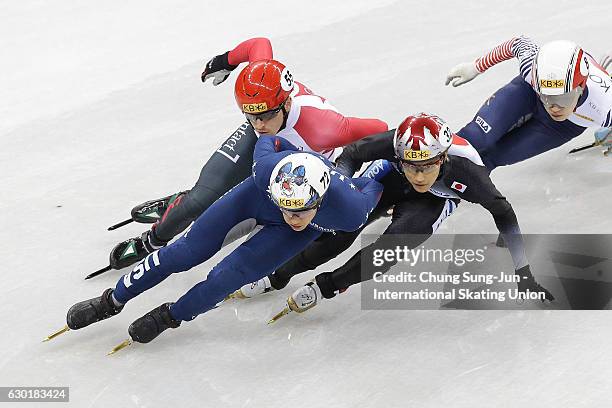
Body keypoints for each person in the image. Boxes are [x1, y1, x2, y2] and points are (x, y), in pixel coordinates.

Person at [60, 135, 383, 345]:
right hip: (255, 197)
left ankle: (171, 315)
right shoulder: (265, 170)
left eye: (300, 210)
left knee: (224, 280)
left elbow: (378, 181)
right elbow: (269, 139)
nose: (291, 217)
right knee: (182, 253)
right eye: (286, 208)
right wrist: (289, 148)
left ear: (322, 200)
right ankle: (111, 301)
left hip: (297, 218)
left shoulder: (351, 210)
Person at [230, 113, 553, 318]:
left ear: (442, 159)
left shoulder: (468, 173)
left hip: (437, 199)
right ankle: (277, 276)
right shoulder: (397, 146)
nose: (419, 175)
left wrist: (523, 271)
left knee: (392, 249)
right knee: (342, 226)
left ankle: (326, 286)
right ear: (400, 156)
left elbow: (504, 213)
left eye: (427, 166)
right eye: (412, 165)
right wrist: (342, 189)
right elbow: (353, 154)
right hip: (389, 177)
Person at [108, 37, 387, 271]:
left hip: (297, 164)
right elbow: (259, 45)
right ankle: (153, 239)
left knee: (253, 226)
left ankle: (182, 205)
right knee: (200, 200)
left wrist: (346, 168)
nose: (259, 124)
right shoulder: (263, 91)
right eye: (250, 115)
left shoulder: (326, 127)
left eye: (264, 115)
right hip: (264, 145)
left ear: (287, 103)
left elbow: (380, 129)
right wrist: (225, 60)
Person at [444, 36, 612, 169]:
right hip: (528, 93)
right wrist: (476, 66)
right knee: (474, 137)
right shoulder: (530, 70)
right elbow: (518, 43)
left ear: (581, 86)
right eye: (546, 95)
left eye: (563, 97)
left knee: (492, 158)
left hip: (563, 127)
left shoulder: (605, 106)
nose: (553, 106)